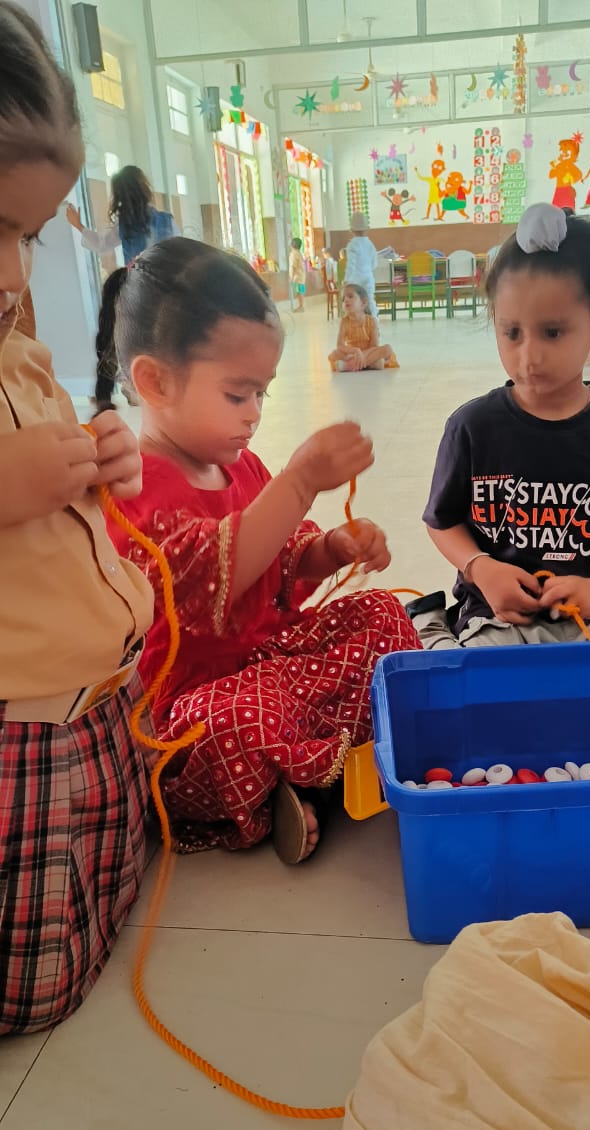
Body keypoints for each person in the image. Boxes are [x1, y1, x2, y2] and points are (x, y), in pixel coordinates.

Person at [95, 238, 419, 863]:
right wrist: (298, 483)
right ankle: (301, 779)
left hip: (269, 661)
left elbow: (283, 564)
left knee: (380, 616)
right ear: (155, 382)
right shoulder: (133, 490)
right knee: (245, 720)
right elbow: (212, 579)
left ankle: (306, 776)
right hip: (195, 704)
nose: (253, 415)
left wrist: (331, 547)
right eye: (237, 394)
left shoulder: (238, 466)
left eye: (262, 395)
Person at [0, 1, 155, 1036]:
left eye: (27, 234)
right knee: (30, 989)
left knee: (107, 908)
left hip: (97, 705)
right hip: (22, 727)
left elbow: (65, 505)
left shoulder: (22, 350)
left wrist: (105, 464)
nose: (15, 273)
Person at [410, 203, 590, 651]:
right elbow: (442, 521)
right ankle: (431, 620)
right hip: (496, 619)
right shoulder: (472, 427)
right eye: (511, 332)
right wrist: (481, 569)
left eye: (552, 332)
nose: (528, 356)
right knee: (473, 686)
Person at [66, 164, 178, 266]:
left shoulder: (125, 226)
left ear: (120, 197)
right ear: (145, 188)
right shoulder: (167, 221)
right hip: (168, 285)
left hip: (138, 285)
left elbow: (102, 244)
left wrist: (78, 225)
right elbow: (182, 254)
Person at [329, 284, 399, 372]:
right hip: (352, 354)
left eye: (350, 296)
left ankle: (350, 365)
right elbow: (340, 345)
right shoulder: (344, 322)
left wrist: (361, 354)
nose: (346, 300)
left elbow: (374, 346)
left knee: (387, 349)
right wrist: (355, 351)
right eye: (343, 299)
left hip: (368, 353)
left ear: (363, 303)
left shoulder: (372, 321)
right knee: (335, 354)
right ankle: (370, 364)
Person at [345, 212, 378, 318]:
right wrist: (368, 270)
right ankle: (374, 326)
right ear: (366, 229)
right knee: (370, 301)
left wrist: (347, 280)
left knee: (354, 304)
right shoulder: (370, 244)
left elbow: (351, 264)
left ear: (352, 230)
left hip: (355, 280)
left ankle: (357, 327)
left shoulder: (352, 245)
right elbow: (374, 263)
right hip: (368, 277)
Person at [548, 139, 582, 211]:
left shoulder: (570, 165)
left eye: (566, 150)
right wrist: (553, 167)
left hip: (567, 189)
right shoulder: (559, 165)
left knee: (568, 207)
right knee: (556, 207)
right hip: (558, 189)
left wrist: (571, 178)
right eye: (562, 150)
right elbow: (551, 175)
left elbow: (579, 175)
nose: (563, 152)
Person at [288, 236, 306, 311]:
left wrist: (291, 278)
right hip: (301, 275)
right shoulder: (299, 253)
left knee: (299, 291)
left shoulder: (293, 254)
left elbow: (293, 267)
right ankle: (301, 306)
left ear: (292, 245)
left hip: (297, 276)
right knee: (300, 291)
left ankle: (301, 306)